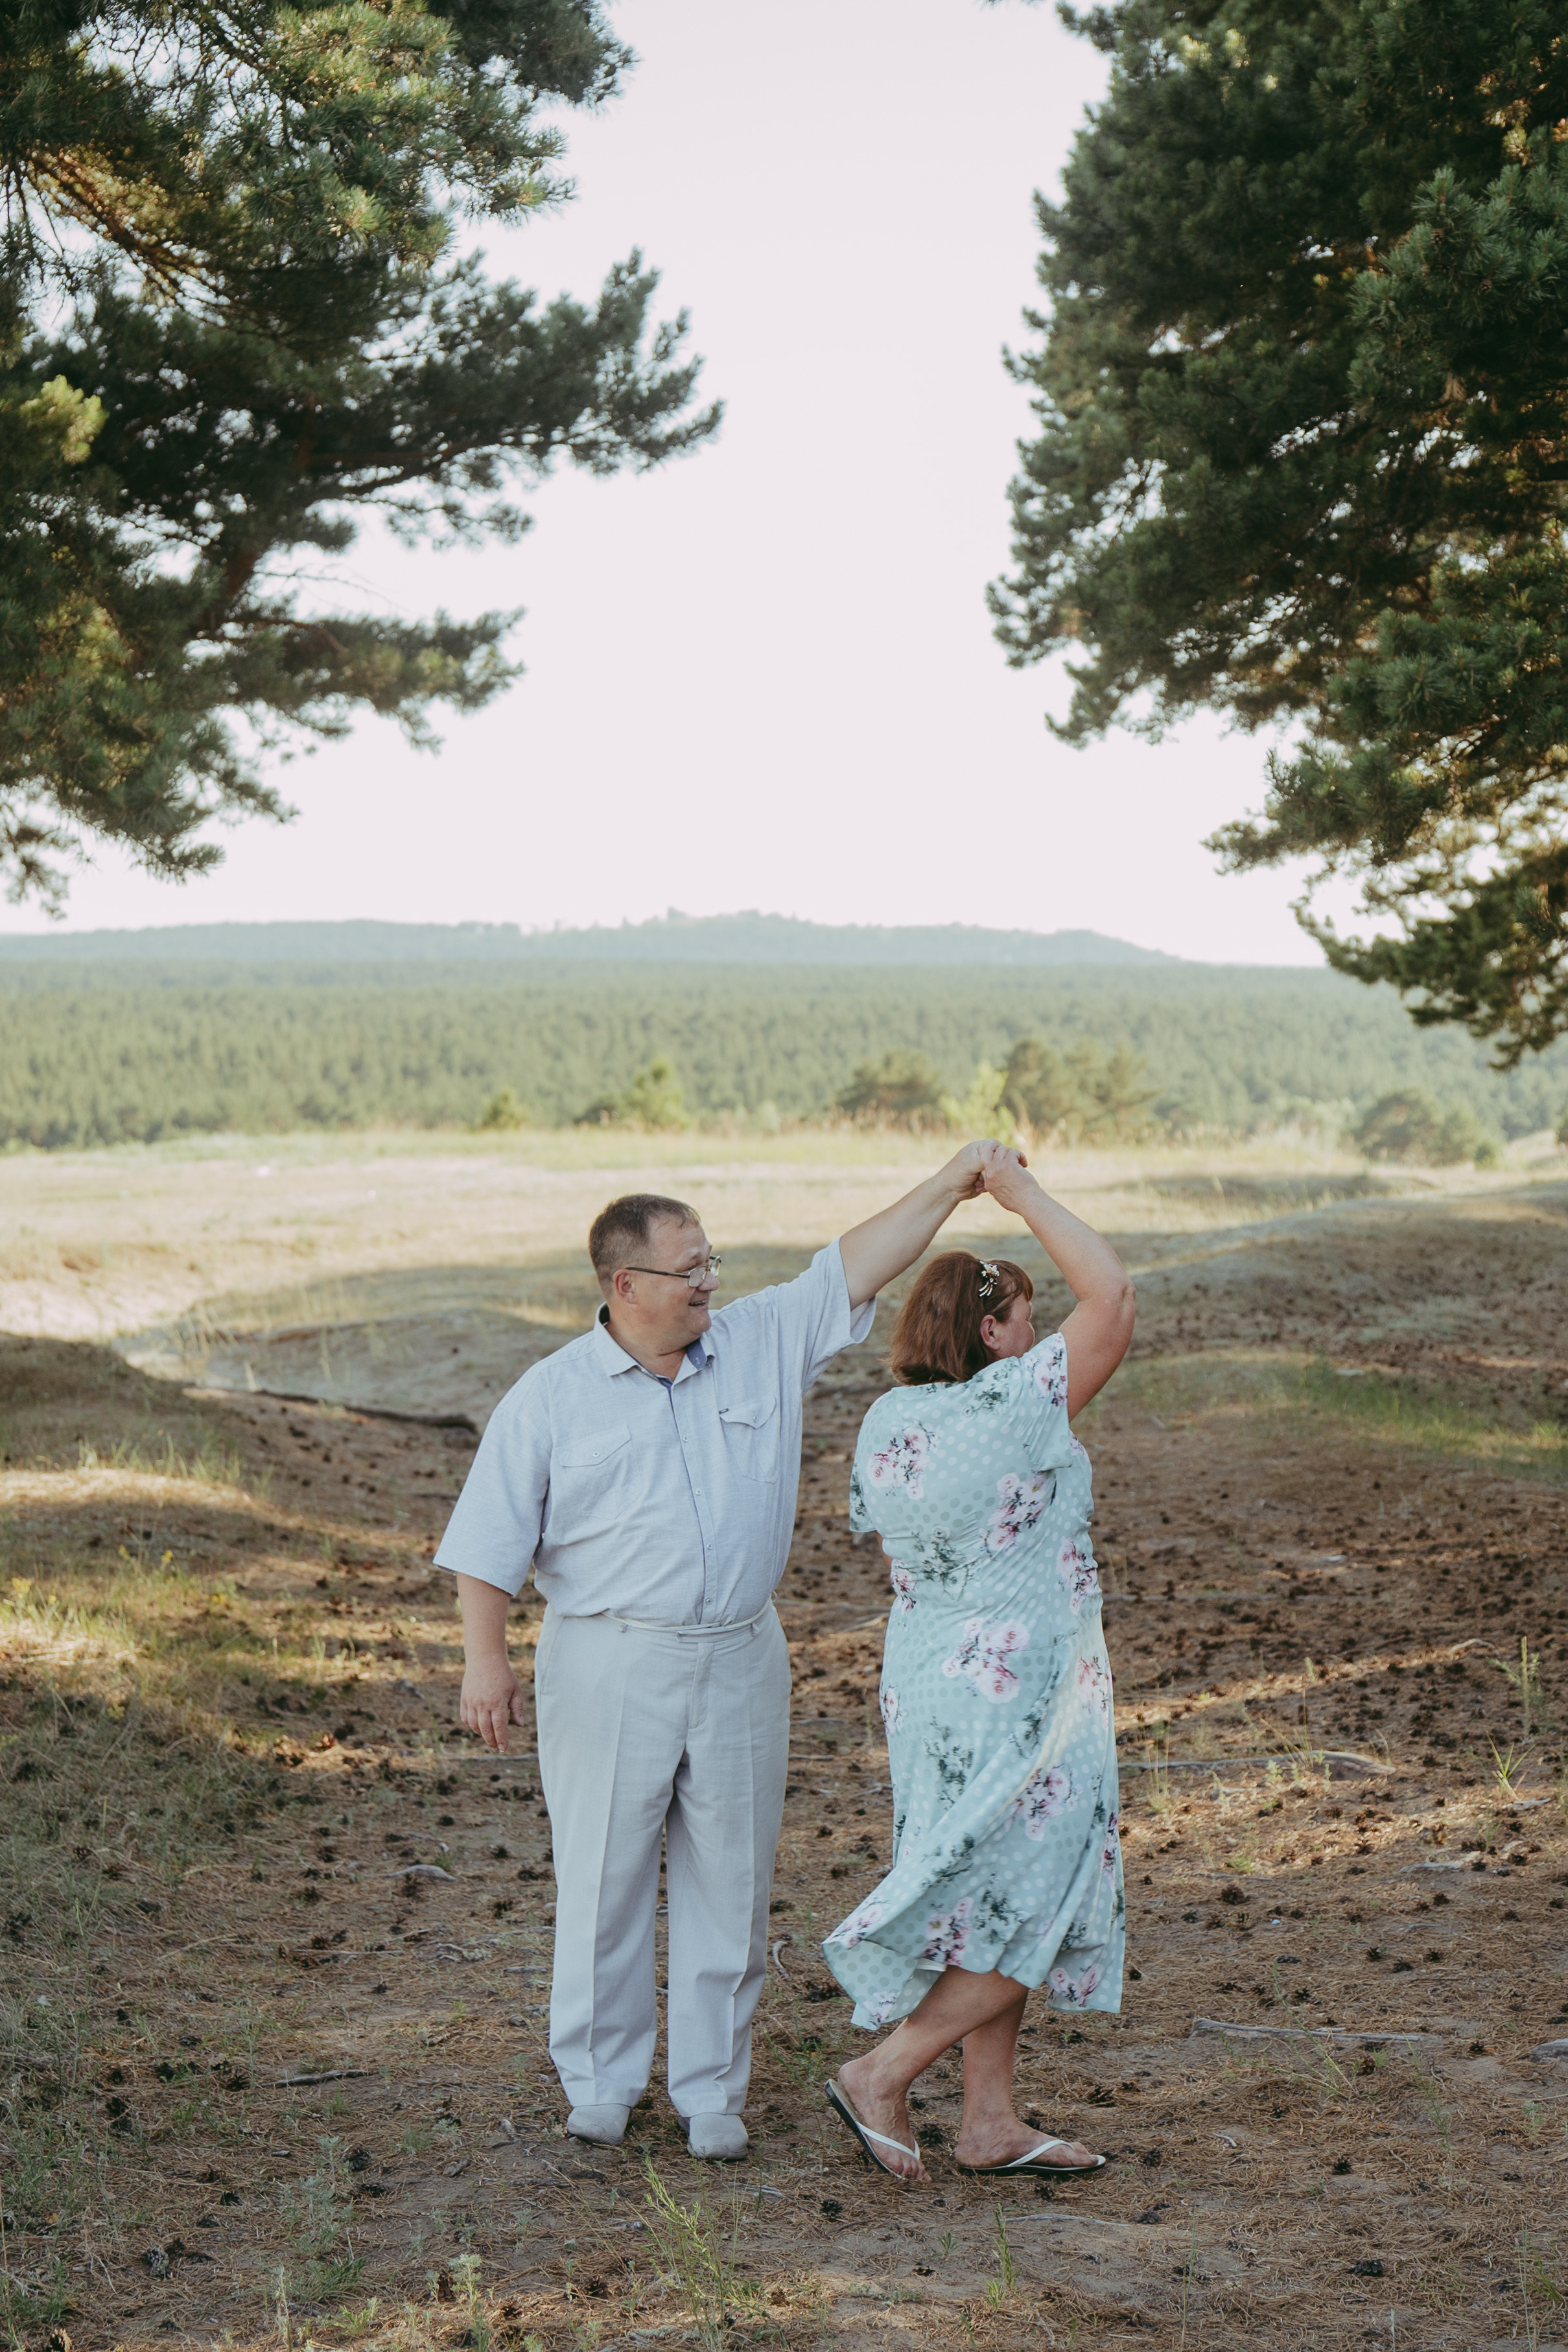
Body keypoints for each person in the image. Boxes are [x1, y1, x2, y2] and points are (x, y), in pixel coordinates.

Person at [437, 1144, 1007, 2163]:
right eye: (689, 1270)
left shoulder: (757, 1341)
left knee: (729, 1878)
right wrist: (487, 1661)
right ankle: (602, 2080)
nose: (710, 1283)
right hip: (609, 1656)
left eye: (712, 1264)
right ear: (627, 1285)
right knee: (604, 1874)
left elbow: (854, 1266)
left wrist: (954, 1182)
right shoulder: (552, 1394)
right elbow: (489, 1539)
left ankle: (712, 2092)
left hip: (742, 1651)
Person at [821, 1151, 1134, 2183]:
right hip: (1028, 1692)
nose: (1041, 1336)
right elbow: (1116, 1294)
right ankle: (883, 2070)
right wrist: (1021, 1196)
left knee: (980, 1894)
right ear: (991, 1333)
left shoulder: (886, 1422)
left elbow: (901, 1554)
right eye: (1024, 1321)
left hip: (929, 1685)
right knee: (1037, 1892)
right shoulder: (1019, 1401)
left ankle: (989, 2121)